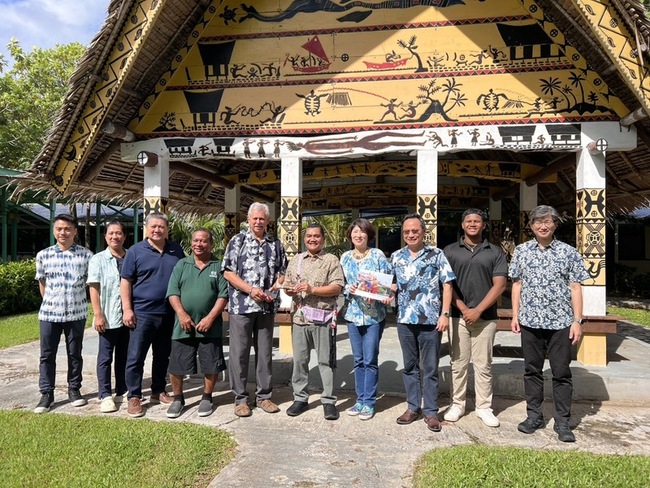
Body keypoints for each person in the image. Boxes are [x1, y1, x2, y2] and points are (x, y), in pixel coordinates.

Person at [509, 205, 589, 443]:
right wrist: (515, 315)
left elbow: (576, 287)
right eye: (538, 222)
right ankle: (534, 416)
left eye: (547, 221)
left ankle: (562, 421)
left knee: (561, 372)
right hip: (530, 321)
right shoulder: (521, 251)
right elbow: (517, 285)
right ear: (531, 226)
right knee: (531, 371)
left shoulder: (569, 252)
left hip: (561, 322)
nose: (543, 226)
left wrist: (577, 321)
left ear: (555, 224)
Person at [222, 202, 287, 417]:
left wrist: (275, 287)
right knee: (239, 353)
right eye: (255, 218)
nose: (258, 222)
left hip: (266, 307)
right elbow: (228, 272)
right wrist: (250, 290)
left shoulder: (275, 244)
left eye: (262, 219)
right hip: (242, 305)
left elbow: (283, 272)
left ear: (267, 221)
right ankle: (241, 399)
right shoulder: (237, 241)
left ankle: (264, 397)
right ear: (248, 220)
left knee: (265, 353)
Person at [443, 209, 507, 427]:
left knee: (483, 364)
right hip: (457, 316)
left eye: (477, 221)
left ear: (483, 225)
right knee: (458, 363)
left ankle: (484, 407)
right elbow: (446, 284)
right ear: (462, 225)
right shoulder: (450, 251)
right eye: (468, 221)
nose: (472, 224)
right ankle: (457, 404)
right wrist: (463, 307)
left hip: (486, 317)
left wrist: (478, 310)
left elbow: (500, 285)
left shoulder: (495, 252)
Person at [390, 214, 455, 432]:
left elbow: (447, 285)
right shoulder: (396, 256)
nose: (411, 234)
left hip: (431, 321)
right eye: (407, 231)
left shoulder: (437, 254)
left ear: (423, 232)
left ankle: (431, 412)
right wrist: (384, 292)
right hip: (405, 320)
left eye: (415, 231)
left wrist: (444, 314)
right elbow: (391, 284)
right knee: (409, 366)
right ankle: (412, 407)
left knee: (430, 367)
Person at [120, 213, 184, 418]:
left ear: (167, 229)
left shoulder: (176, 250)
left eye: (161, 227)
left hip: (168, 313)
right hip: (142, 312)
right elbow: (126, 281)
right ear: (146, 228)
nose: (157, 230)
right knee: (136, 356)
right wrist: (127, 309)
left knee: (162, 355)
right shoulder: (135, 251)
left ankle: (158, 390)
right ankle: (134, 396)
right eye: (153, 226)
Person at [165, 229, 229, 418]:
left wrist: (210, 318)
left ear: (211, 244)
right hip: (183, 325)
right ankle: (178, 399)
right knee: (177, 364)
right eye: (196, 240)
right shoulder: (181, 264)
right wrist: (182, 314)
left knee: (211, 364)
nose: (199, 244)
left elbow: (223, 295)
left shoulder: (219, 266)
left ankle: (207, 397)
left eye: (203, 241)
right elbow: (173, 292)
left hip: (210, 326)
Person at [284, 223, 345, 420]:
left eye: (316, 236)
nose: (312, 239)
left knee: (325, 361)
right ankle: (300, 398)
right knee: (300, 361)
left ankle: (328, 401)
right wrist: (289, 290)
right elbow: (287, 286)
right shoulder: (296, 260)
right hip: (299, 319)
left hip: (323, 319)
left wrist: (312, 290)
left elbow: (337, 287)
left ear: (323, 239)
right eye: (309, 236)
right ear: (304, 239)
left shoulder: (331, 260)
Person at [34, 213, 93, 413]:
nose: (63, 233)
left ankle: (74, 389)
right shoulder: (43, 255)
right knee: (46, 355)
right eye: (59, 229)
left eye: (67, 229)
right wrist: (52, 302)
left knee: (75, 354)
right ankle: (46, 394)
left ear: (75, 231)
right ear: (54, 231)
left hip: (76, 314)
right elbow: (42, 284)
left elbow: (91, 284)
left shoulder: (86, 255)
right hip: (49, 314)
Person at [340, 218, 391, 420]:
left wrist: (378, 293)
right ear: (350, 235)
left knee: (370, 360)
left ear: (369, 235)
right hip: (353, 315)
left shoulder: (377, 255)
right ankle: (359, 400)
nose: (358, 235)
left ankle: (369, 402)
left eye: (362, 231)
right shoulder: (345, 258)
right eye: (355, 231)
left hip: (373, 316)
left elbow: (386, 283)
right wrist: (349, 288)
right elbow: (340, 283)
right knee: (358, 360)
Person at [87, 220, 129, 414]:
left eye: (119, 233)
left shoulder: (131, 256)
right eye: (111, 233)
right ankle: (104, 394)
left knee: (124, 355)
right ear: (105, 236)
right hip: (108, 315)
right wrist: (98, 315)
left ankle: (122, 390)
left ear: (124, 236)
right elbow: (94, 288)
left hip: (128, 316)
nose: (115, 236)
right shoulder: (98, 259)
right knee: (105, 357)